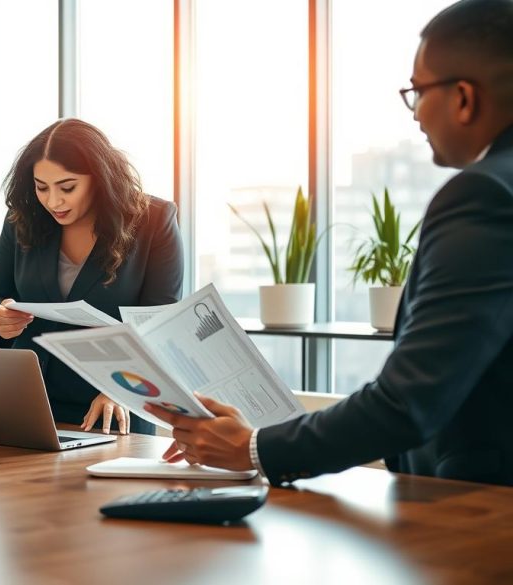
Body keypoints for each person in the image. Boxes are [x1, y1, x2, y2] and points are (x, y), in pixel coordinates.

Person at [145, 0, 513, 486]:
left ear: (464, 98)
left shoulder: (485, 194)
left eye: (417, 91)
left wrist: (251, 447)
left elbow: (408, 401)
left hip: (480, 514)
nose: (416, 113)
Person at [0, 119, 184, 435]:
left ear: (100, 178)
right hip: (29, 404)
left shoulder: (154, 221)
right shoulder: (23, 218)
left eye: (68, 187)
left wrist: (120, 392)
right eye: (41, 187)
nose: (53, 202)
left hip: (112, 412)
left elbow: (160, 327)